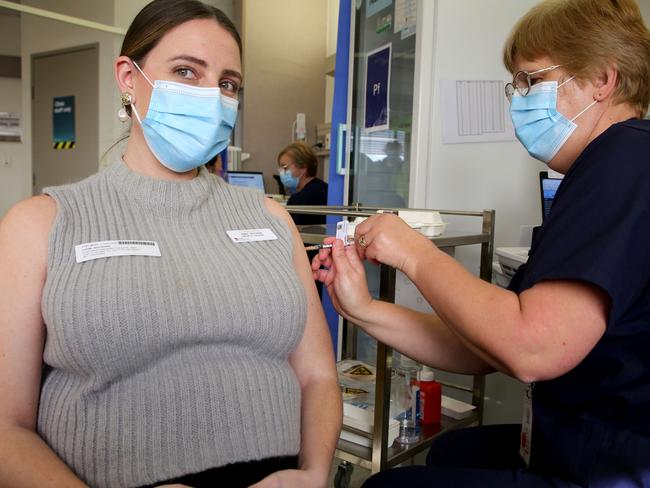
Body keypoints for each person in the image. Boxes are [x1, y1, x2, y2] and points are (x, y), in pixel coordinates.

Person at [0, 1, 341, 487]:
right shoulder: (41, 224)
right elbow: (6, 429)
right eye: (186, 71)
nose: (211, 96)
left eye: (227, 84)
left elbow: (318, 378)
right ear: (128, 77)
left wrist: (314, 475)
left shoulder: (270, 220)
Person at [313, 0, 650, 486]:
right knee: (453, 450)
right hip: (585, 432)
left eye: (532, 80)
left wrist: (412, 251)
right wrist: (363, 309)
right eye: (516, 84)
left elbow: (531, 349)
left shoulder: (626, 159)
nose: (518, 99)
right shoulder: (598, 172)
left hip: (619, 459)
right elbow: (489, 348)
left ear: (602, 78)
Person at [277, 142, 328, 226]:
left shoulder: (298, 201)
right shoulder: (325, 189)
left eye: (285, 167)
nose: (281, 172)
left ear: (303, 168)